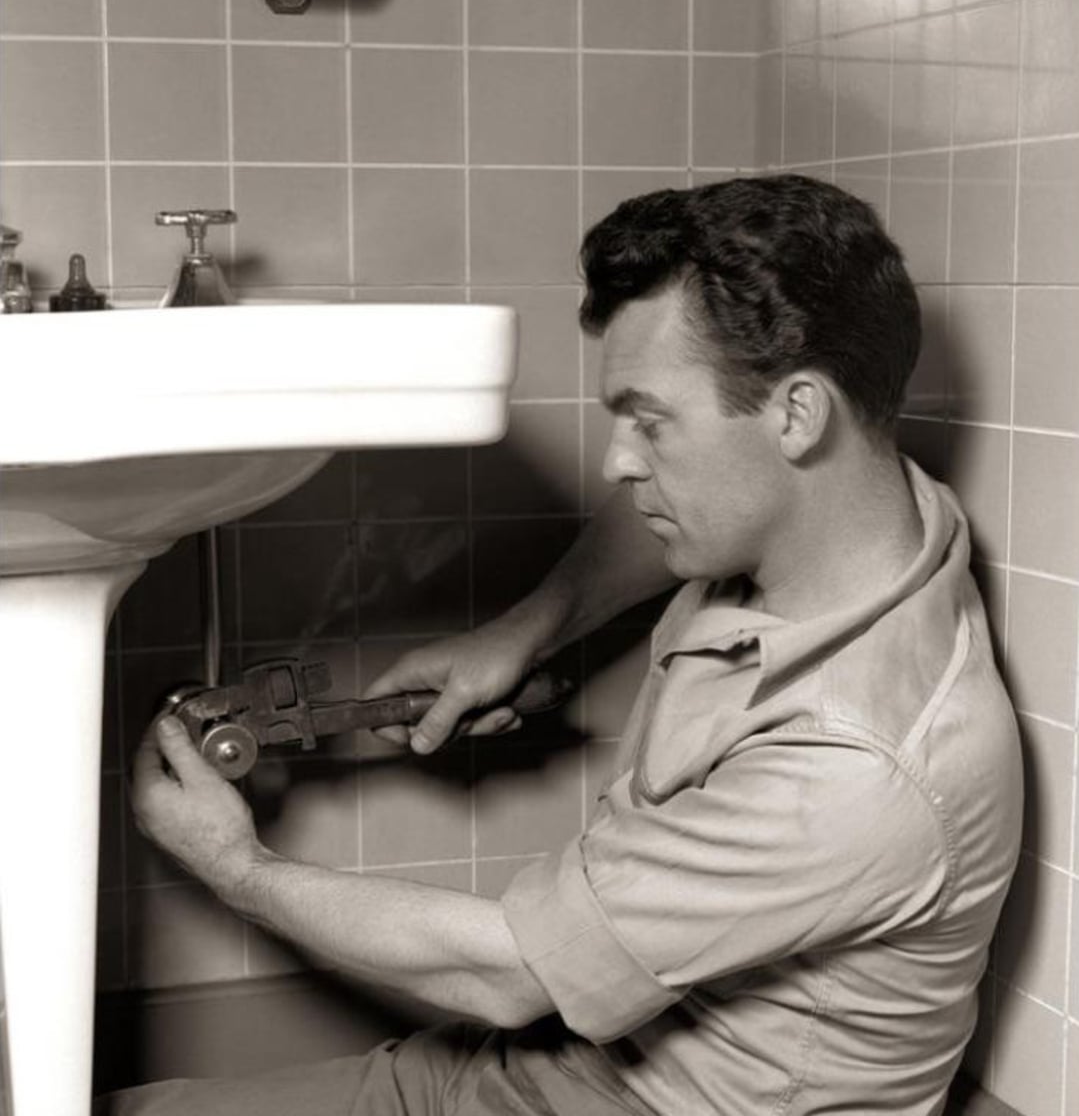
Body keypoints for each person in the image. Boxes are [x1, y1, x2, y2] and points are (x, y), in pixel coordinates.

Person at [112, 175, 1022, 1116]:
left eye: (650, 420)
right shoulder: (860, 516)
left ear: (796, 413)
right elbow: (676, 510)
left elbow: (504, 975)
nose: (618, 461)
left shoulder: (854, 766)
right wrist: (523, 630)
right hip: (577, 1063)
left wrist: (232, 864)